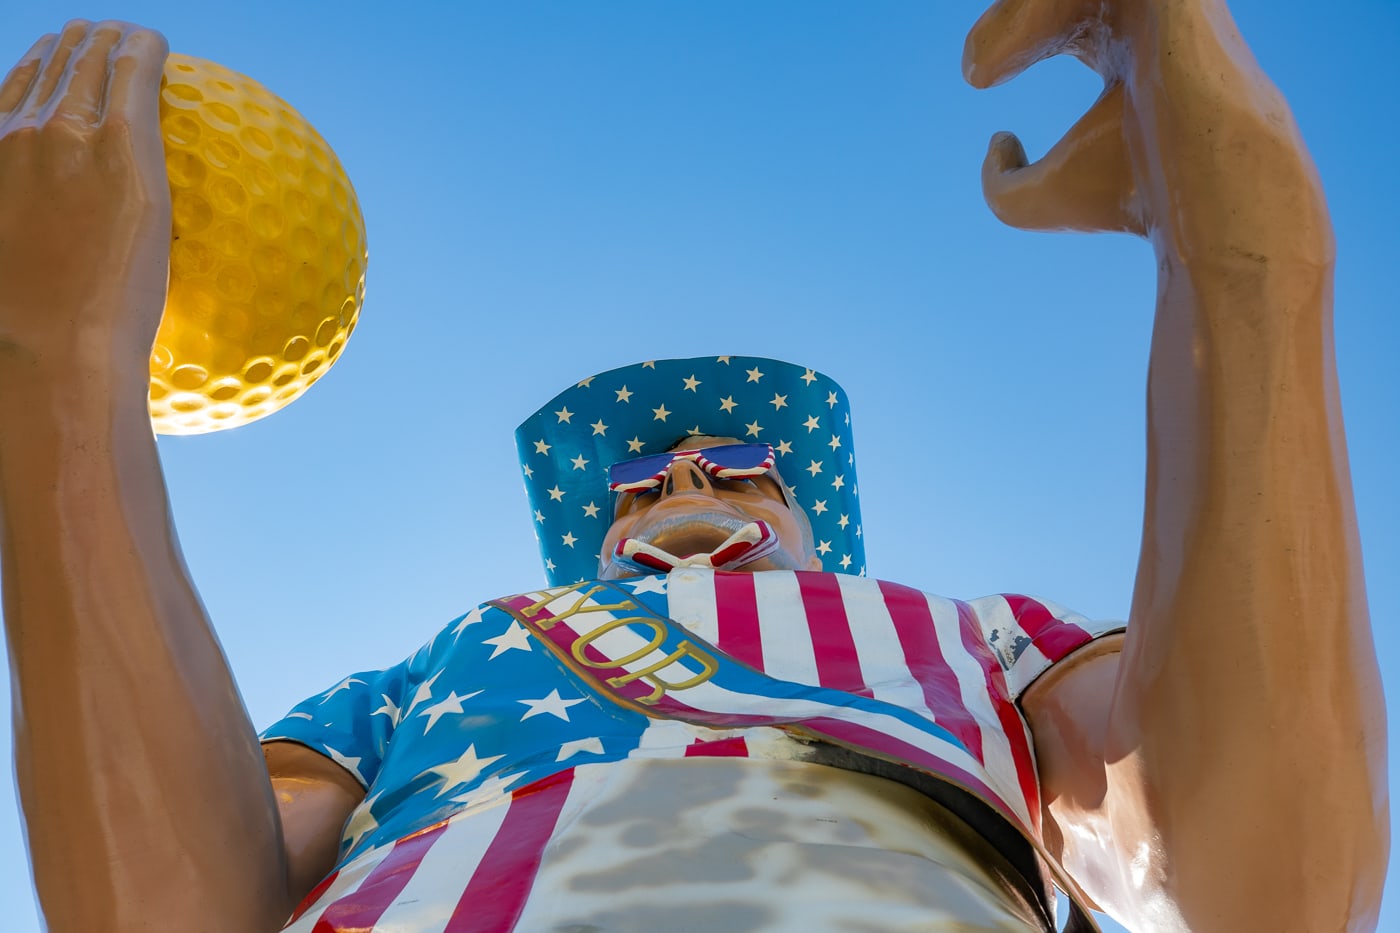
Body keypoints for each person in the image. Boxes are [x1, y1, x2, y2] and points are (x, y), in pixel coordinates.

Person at [0, 3, 1386, 933]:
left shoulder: (981, 640)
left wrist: (1247, 256)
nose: (678, 482)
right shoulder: (437, 669)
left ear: (805, 520)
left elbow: (1248, 878)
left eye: (732, 462)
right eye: (641, 479)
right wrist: (56, 370)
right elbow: (180, 908)